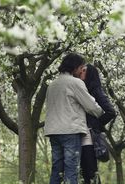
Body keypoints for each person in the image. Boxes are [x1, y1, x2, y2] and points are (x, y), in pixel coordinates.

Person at [44, 53, 104, 184]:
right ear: (75, 67)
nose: (82, 70)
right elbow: (91, 106)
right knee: (72, 169)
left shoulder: (52, 85)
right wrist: (101, 112)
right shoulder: (75, 83)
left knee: (57, 170)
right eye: (81, 67)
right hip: (70, 131)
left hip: (53, 131)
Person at [79, 64, 116, 184]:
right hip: (81, 134)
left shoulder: (96, 89)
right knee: (84, 171)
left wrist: (96, 125)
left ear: (89, 73)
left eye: (84, 70)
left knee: (90, 171)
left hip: (89, 136)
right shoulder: (82, 89)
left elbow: (111, 111)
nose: (80, 72)